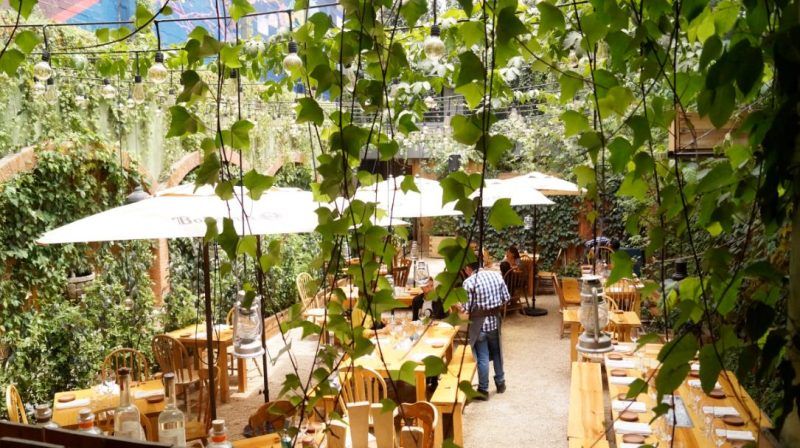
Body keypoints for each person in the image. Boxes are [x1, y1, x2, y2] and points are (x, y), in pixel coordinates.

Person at [460, 260, 510, 400]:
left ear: (468, 269)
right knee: (497, 352)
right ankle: (500, 383)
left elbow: (466, 309)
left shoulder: (469, 282)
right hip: (494, 322)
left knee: (483, 356)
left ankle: (483, 389)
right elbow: (506, 298)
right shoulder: (497, 276)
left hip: (479, 325)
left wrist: (458, 306)